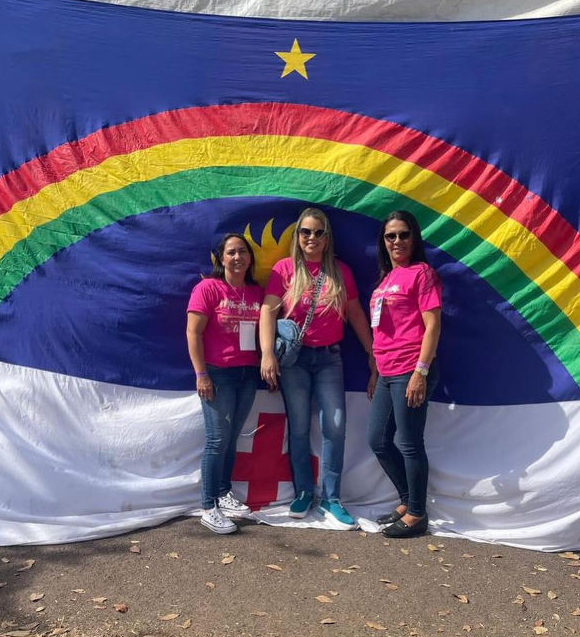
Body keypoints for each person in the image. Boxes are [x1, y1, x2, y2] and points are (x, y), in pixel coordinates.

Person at [259, 207, 374, 530]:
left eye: (318, 232)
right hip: (294, 361)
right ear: (297, 236)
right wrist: (267, 353)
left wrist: (371, 352)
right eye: (305, 232)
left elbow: (355, 314)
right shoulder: (284, 270)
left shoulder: (341, 271)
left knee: (335, 426)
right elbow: (268, 311)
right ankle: (304, 492)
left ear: (327, 237)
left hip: (329, 359)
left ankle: (332, 498)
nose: (311, 238)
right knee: (298, 427)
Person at [367, 210, 442, 538]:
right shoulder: (385, 280)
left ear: (414, 238)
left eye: (403, 235)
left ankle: (417, 514)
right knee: (378, 441)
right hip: (385, 372)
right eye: (390, 236)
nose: (397, 241)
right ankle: (406, 499)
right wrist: (375, 371)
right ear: (383, 243)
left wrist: (420, 372)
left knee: (409, 443)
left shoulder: (421, 273)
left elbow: (433, 325)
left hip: (411, 368)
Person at [186, 233, 264, 534]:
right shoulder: (208, 288)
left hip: (247, 374)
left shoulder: (256, 293)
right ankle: (208, 506)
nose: (237, 257)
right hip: (218, 374)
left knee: (231, 438)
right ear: (221, 258)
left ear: (250, 258)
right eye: (231, 252)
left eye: (243, 251)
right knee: (217, 439)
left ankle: (222, 491)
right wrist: (201, 374)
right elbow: (193, 333)